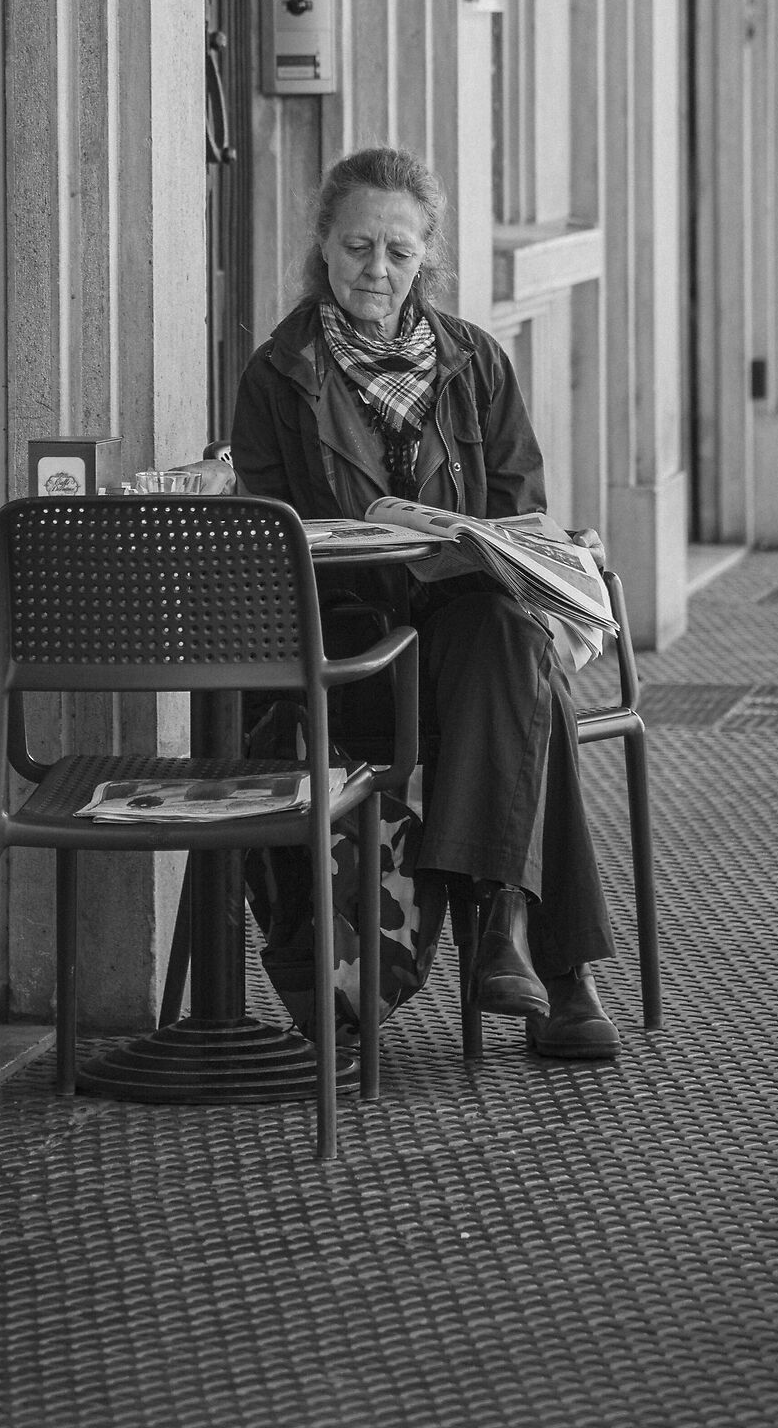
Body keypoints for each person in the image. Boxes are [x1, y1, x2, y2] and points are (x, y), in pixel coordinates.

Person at [230, 144, 619, 1060]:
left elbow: (521, 516)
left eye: (399, 253)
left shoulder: (475, 363)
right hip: (353, 654)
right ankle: (538, 957)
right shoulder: (276, 376)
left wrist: (483, 549)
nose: (378, 270)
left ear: (426, 257)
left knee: (507, 644)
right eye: (359, 246)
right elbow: (266, 538)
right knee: (529, 695)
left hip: (465, 633)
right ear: (322, 246)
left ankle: (508, 938)